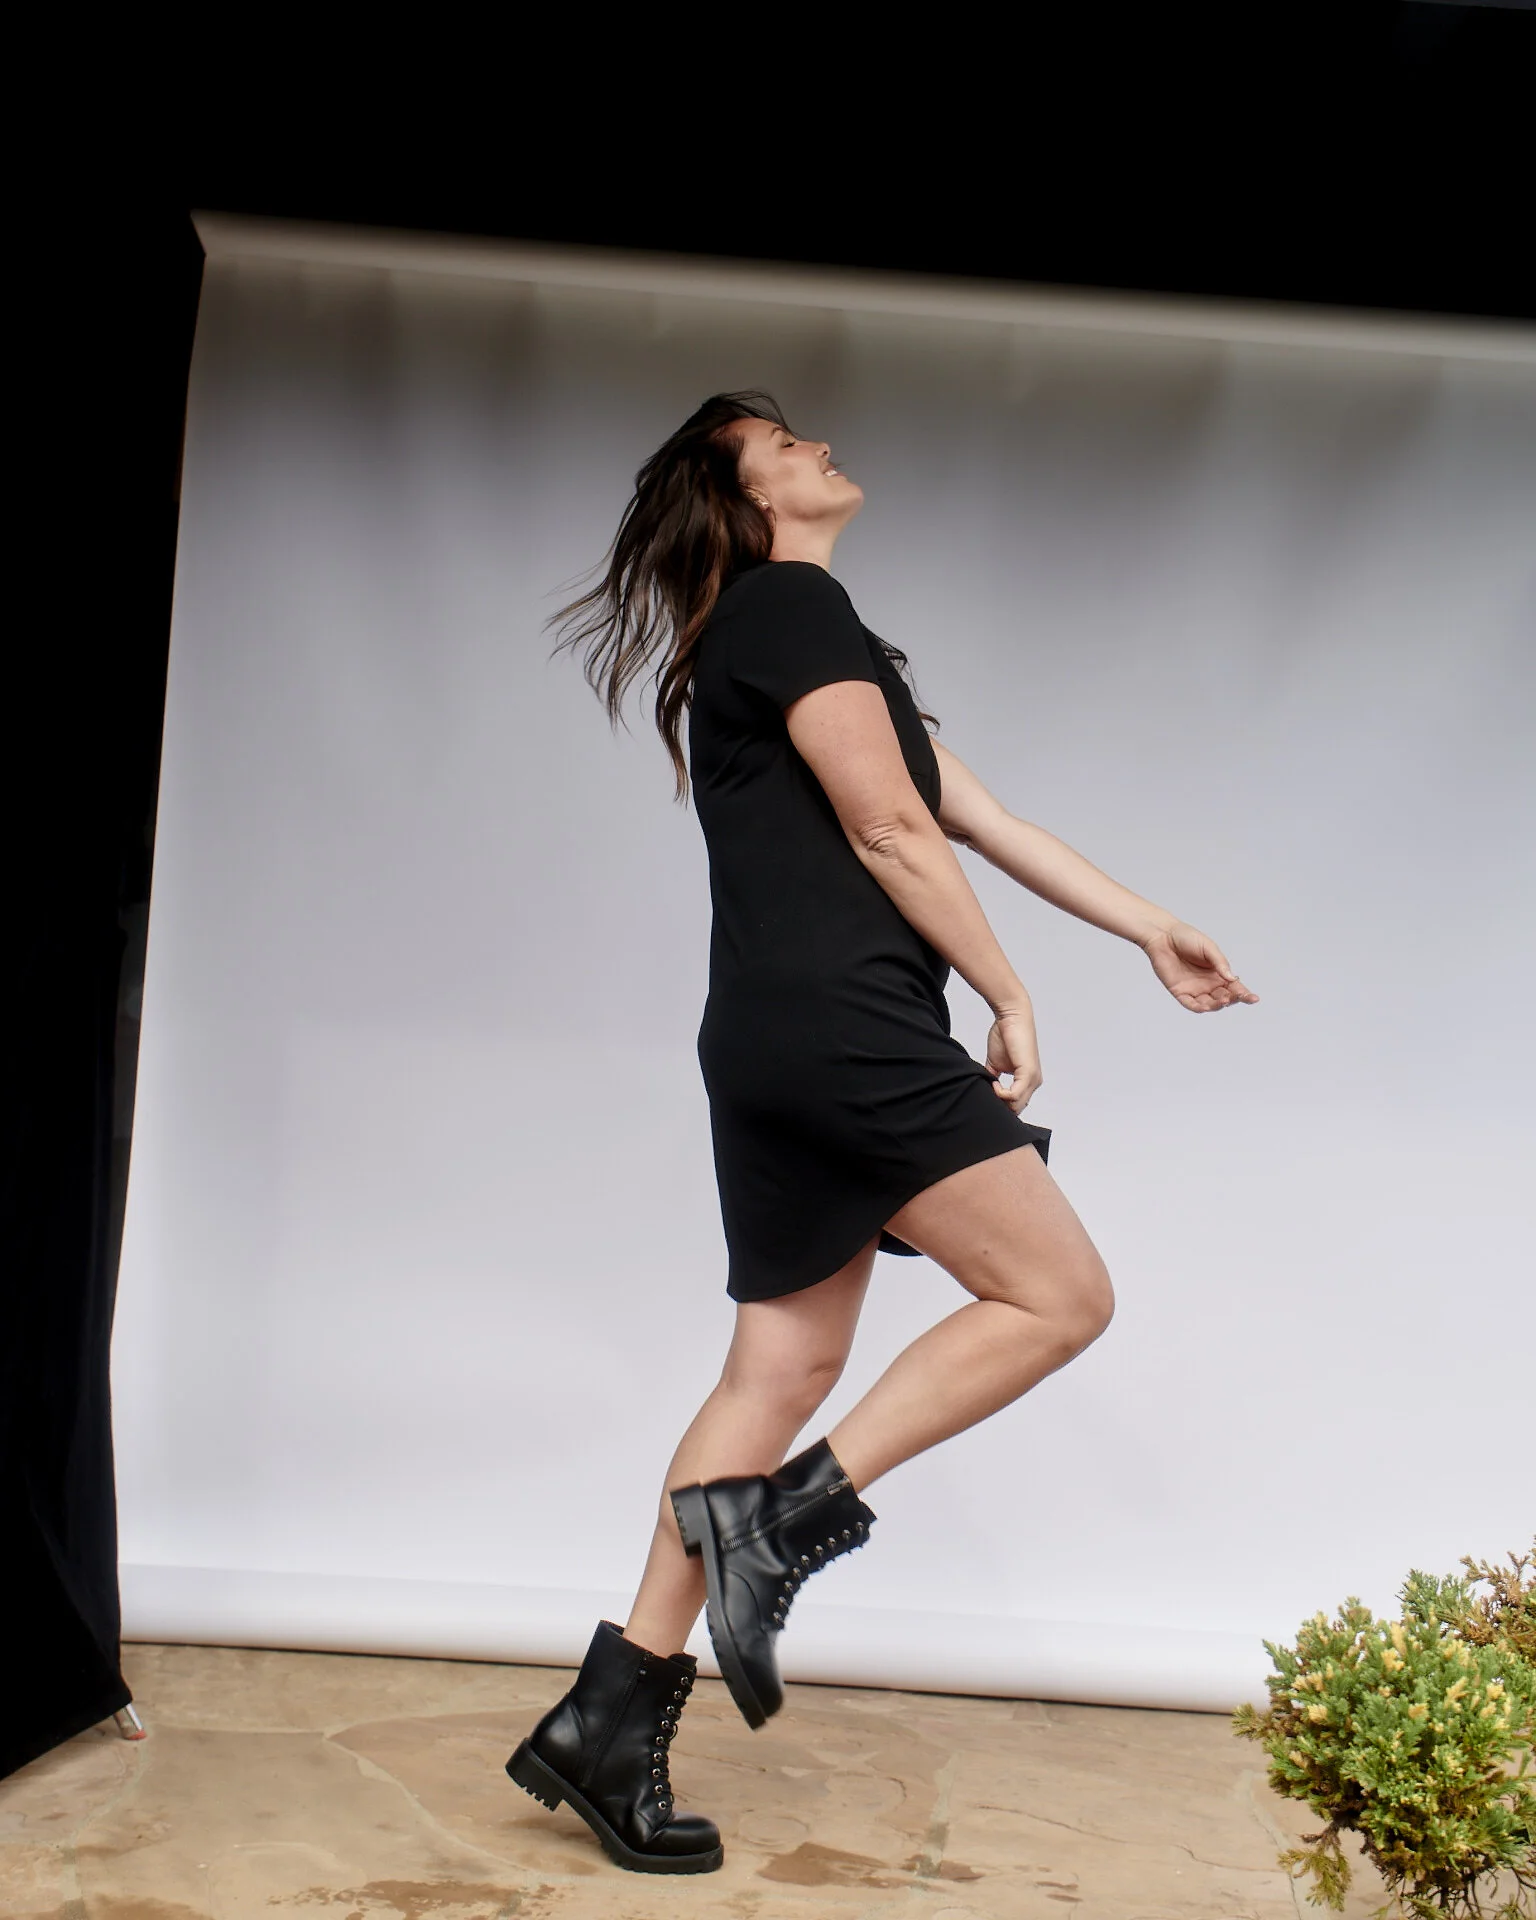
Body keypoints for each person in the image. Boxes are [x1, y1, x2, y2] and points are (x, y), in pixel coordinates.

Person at [505, 390, 1258, 1875]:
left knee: (779, 1365)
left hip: (773, 1033)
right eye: (778, 439)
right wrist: (1008, 989)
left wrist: (1146, 926)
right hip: (848, 1027)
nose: (816, 444)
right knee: (1059, 1295)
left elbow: (973, 815)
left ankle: (608, 1719)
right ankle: (781, 1524)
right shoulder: (785, 605)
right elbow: (891, 831)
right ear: (742, 498)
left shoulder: (798, 632)